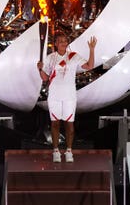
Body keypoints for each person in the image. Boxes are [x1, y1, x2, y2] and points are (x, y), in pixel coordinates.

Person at [37, 33, 97, 163]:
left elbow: (90, 66)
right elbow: (45, 78)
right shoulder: (50, 58)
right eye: (60, 41)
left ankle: (69, 151)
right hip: (54, 95)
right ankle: (56, 151)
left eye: (65, 41)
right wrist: (40, 69)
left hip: (69, 95)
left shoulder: (73, 56)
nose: (63, 43)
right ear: (56, 44)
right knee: (55, 124)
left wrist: (91, 50)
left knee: (69, 125)